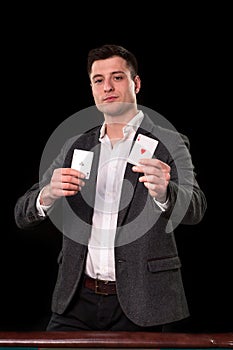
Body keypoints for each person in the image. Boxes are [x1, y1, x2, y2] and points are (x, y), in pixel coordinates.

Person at [14, 44, 207, 332]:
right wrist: (48, 194)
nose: (108, 87)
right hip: (76, 300)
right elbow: (22, 213)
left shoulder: (170, 142)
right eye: (98, 80)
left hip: (143, 301)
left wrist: (166, 194)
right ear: (92, 88)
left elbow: (196, 208)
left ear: (136, 83)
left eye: (117, 77)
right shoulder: (76, 145)